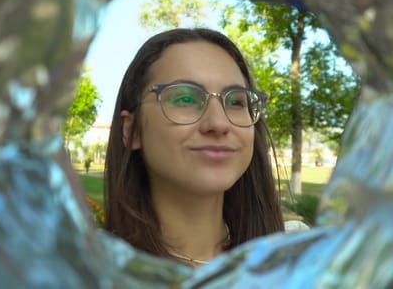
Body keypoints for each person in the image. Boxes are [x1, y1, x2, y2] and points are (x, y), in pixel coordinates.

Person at [103, 28, 285, 268]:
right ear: (131, 130)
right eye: (186, 99)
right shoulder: (87, 275)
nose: (219, 123)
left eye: (235, 101)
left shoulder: (298, 261)